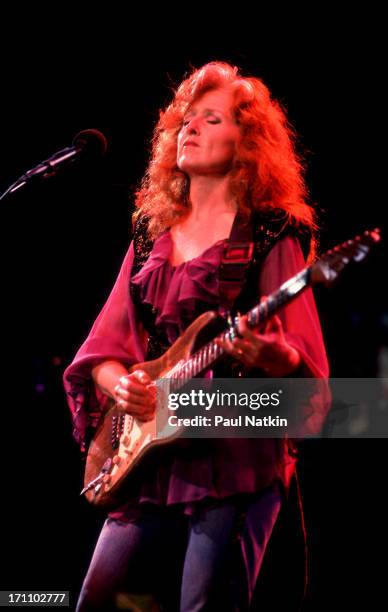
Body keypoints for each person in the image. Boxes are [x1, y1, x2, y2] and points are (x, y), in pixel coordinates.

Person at [64, 61, 329, 611]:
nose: (191, 128)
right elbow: (104, 351)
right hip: (152, 453)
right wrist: (125, 388)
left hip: (232, 450)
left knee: (202, 603)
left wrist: (268, 354)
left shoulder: (273, 233)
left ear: (248, 141)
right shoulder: (150, 234)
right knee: (96, 600)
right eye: (187, 119)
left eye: (212, 119)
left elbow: (307, 372)